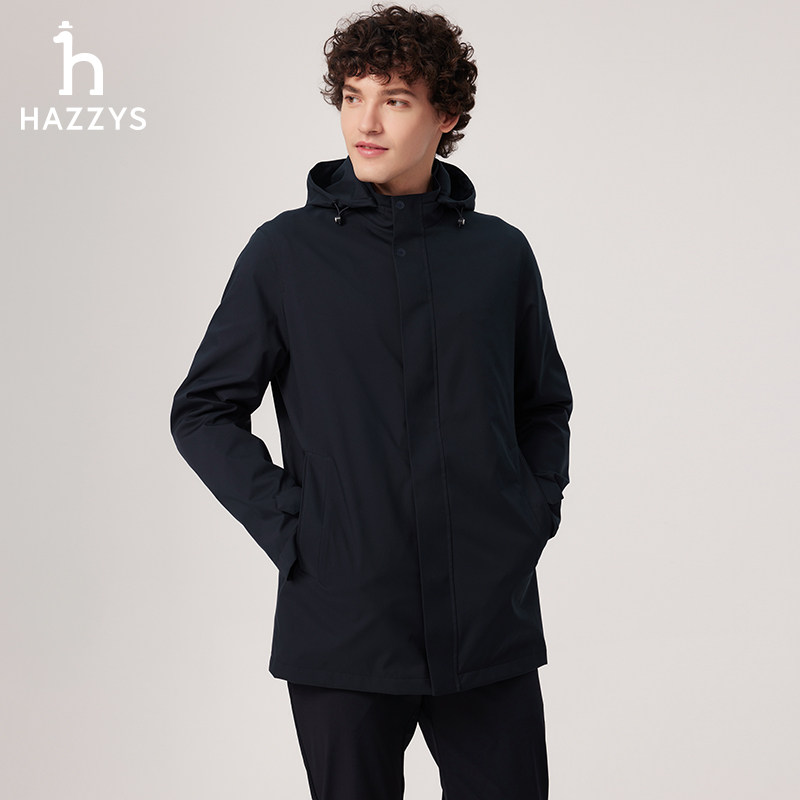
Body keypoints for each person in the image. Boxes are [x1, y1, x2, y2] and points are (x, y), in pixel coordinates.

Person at [170, 4, 572, 798]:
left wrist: (529, 514)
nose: (367, 121)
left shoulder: (499, 254)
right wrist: (296, 528)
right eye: (353, 96)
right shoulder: (286, 253)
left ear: (445, 115)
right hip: (344, 624)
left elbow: (541, 405)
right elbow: (204, 410)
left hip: (485, 621)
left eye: (395, 99)